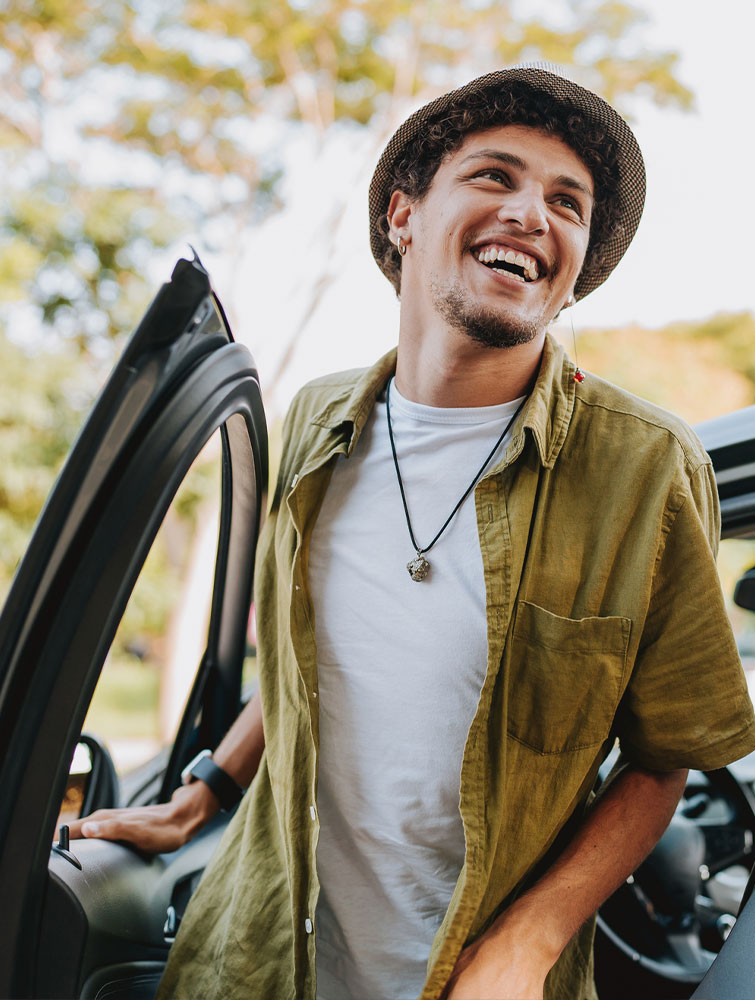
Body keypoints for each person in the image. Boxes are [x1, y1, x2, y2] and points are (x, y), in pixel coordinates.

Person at [70, 66, 755, 1000]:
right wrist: (196, 797)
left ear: (574, 269)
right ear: (403, 215)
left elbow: (662, 756)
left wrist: (527, 945)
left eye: (566, 201)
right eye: (493, 176)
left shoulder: (643, 467)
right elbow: (311, 655)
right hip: (257, 960)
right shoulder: (314, 420)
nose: (531, 213)